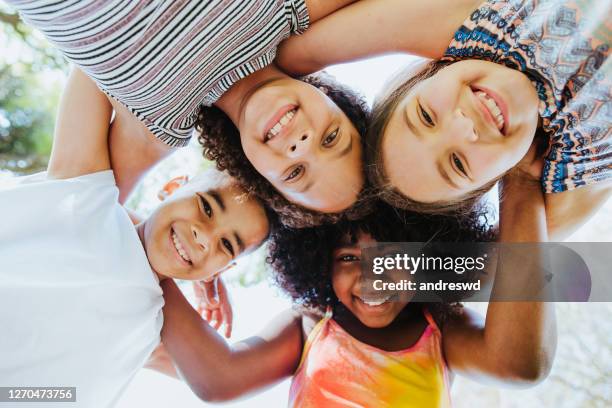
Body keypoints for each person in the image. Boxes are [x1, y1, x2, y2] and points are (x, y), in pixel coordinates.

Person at [153, 170, 556, 407]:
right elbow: (220, 378)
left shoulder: (441, 328)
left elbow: (519, 362)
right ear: (320, 264)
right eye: (347, 258)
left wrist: (520, 181)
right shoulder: (311, 326)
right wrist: (165, 269)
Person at [0, 68, 271, 407]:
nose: (205, 238)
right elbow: (88, 63)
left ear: (221, 269)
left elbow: (222, 376)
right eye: (206, 206)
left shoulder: (155, 325)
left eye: (227, 245)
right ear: (171, 188)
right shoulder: (87, 198)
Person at [5, 0, 371, 225]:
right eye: (332, 137)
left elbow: (74, 211)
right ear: (333, 100)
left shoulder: (158, 126)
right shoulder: (289, 8)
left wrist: (168, 272)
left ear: (258, 175)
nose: (302, 147)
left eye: (295, 173)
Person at [275, 0, 611, 239]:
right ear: (494, 179)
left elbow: (290, 55)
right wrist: (522, 185)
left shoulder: (481, 26)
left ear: (426, 75)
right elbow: (491, 273)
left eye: (425, 116)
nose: (464, 126)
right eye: (458, 164)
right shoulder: (584, 153)